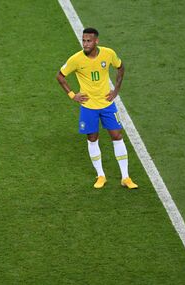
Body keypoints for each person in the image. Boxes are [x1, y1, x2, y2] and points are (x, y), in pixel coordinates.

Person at [56, 27, 138, 189]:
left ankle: (125, 177)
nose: (85, 44)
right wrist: (73, 95)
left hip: (107, 104)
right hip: (88, 107)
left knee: (117, 135)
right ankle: (101, 175)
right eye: (84, 40)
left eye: (88, 41)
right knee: (92, 138)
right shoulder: (76, 59)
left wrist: (116, 90)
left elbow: (120, 67)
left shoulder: (108, 54)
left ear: (96, 41)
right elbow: (60, 76)